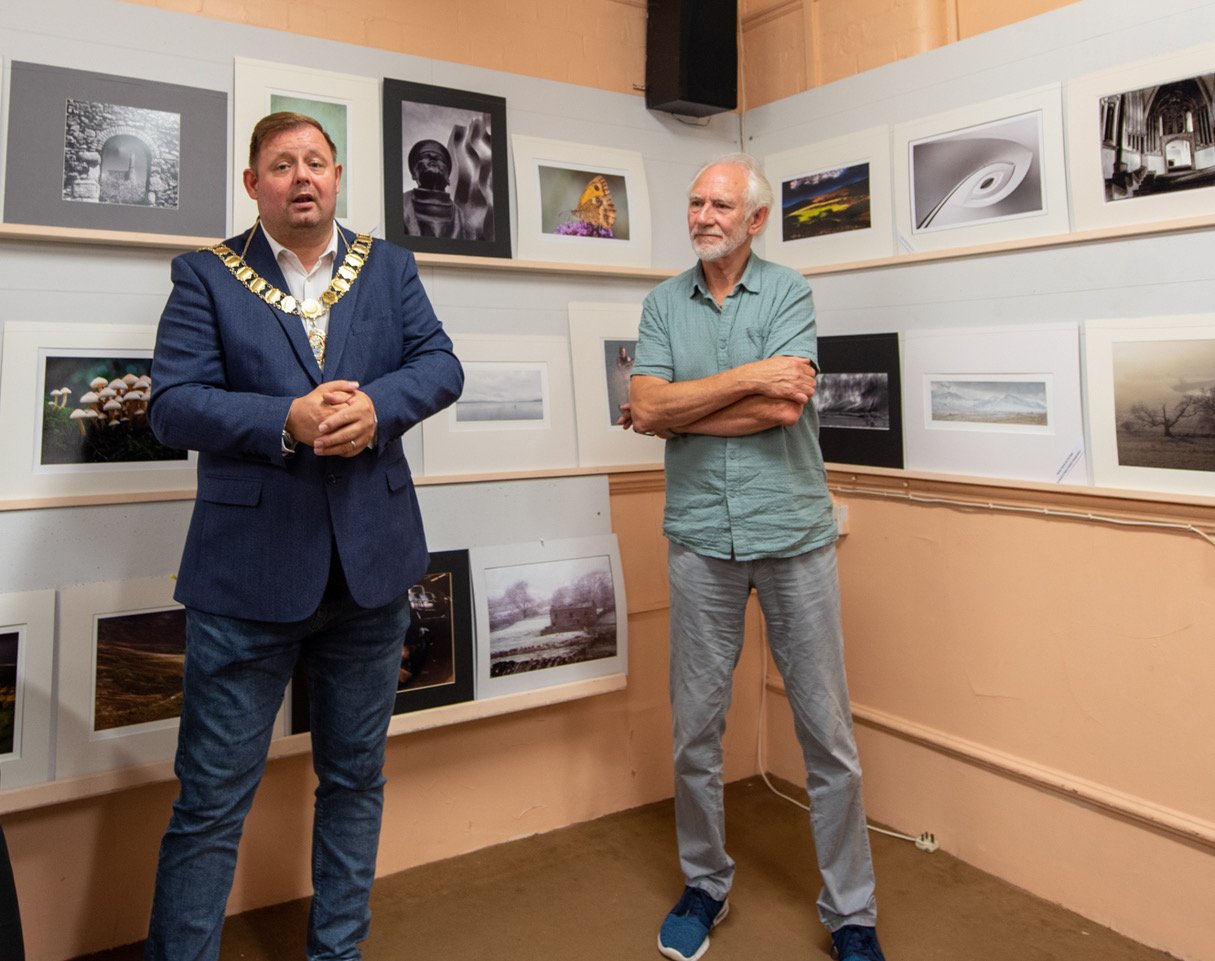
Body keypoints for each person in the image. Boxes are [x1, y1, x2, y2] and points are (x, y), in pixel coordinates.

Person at [145, 112, 463, 961]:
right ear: (254, 184)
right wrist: (282, 418)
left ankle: (338, 952)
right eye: (281, 165)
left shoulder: (388, 265)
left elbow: (439, 364)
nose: (302, 177)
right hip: (247, 583)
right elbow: (170, 403)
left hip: (369, 575)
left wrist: (378, 408)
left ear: (338, 173)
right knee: (211, 802)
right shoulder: (205, 276)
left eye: (315, 162)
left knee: (355, 782)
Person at [622, 154, 887, 961]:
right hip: (700, 536)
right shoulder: (663, 302)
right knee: (694, 731)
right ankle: (704, 883)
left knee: (827, 736)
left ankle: (852, 914)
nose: (702, 214)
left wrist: (677, 408)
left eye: (719, 203)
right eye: (695, 200)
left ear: (755, 219)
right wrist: (733, 384)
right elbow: (642, 402)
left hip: (793, 535)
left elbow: (783, 407)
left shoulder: (789, 290)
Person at [401, 138, 471, 239]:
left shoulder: (461, 218)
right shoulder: (400, 204)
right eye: (425, 156)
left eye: (440, 159)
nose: (433, 157)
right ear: (414, 173)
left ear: (448, 178)